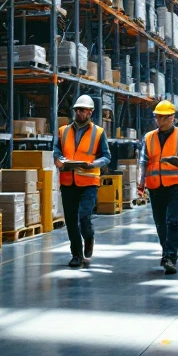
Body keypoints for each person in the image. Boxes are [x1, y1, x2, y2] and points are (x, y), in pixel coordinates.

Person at [138, 100, 178, 275]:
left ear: (172, 118)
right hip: (156, 187)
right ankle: (166, 252)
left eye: (163, 117)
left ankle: (170, 256)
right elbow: (143, 162)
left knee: (173, 221)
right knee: (160, 224)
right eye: (157, 117)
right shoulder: (148, 137)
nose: (160, 121)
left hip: (176, 186)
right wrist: (141, 187)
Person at [54, 94, 110, 268]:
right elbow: (56, 151)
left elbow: (107, 156)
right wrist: (61, 161)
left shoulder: (98, 132)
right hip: (68, 181)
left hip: (89, 183)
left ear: (90, 112)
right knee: (70, 220)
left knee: (84, 216)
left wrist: (92, 164)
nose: (79, 113)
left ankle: (89, 237)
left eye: (82, 110)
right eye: (77, 110)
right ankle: (76, 255)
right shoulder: (63, 131)